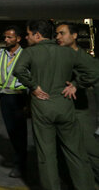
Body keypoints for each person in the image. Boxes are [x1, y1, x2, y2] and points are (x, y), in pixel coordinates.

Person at [13, 20, 99, 190]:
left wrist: (34, 87)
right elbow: (94, 71)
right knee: (76, 152)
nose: (27, 38)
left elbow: (18, 70)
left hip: (42, 107)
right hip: (65, 106)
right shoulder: (67, 52)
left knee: (47, 155)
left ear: (38, 35)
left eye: (29, 34)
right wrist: (76, 84)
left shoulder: (31, 52)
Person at [55, 22, 99, 184]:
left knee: (91, 149)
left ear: (74, 36)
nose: (58, 37)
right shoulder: (62, 55)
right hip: (63, 109)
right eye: (57, 34)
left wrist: (76, 84)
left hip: (78, 110)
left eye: (62, 33)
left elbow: (95, 73)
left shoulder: (81, 56)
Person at [0, 25, 28, 178]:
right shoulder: (1, 53)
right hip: (4, 95)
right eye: (5, 37)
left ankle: (20, 163)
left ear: (18, 39)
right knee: (11, 130)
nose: (6, 40)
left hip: (18, 96)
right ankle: (20, 159)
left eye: (9, 37)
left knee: (20, 131)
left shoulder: (25, 54)